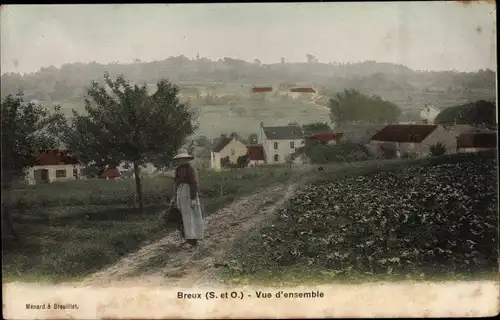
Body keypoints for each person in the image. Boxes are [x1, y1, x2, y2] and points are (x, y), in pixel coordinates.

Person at [170, 149, 204, 248]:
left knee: (191, 216)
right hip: (181, 192)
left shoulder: (191, 169)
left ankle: (193, 239)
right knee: (184, 216)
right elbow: (176, 183)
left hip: (189, 192)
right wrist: (174, 196)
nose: (181, 161)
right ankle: (188, 238)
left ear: (187, 159)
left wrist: (193, 198)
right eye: (180, 159)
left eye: (184, 159)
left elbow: (194, 183)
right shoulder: (178, 169)